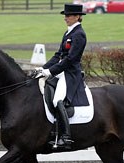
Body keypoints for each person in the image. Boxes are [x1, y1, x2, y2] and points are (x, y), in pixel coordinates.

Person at [36, 3, 89, 150]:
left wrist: (51, 72)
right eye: (65, 15)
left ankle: (65, 137)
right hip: (61, 71)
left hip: (70, 73)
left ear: (77, 17)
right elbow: (58, 55)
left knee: (57, 99)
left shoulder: (79, 34)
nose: (66, 18)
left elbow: (70, 59)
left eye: (69, 15)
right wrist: (43, 69)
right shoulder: (68, 33)